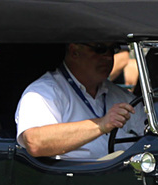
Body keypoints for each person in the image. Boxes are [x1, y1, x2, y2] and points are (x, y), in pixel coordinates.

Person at [16, 42, 144, 160]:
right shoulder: (43, 92)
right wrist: (101, 125)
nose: (109, 58)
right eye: (100, 49)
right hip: (70, 181)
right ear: (74, 51)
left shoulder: (124, 97)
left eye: (113, 50)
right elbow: (35, 142)